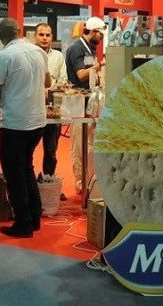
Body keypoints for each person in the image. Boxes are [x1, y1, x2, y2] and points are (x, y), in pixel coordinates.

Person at [0, 18, 50, 237]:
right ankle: (34, 217)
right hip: (37, 120)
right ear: (19, 30)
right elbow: (48, 82)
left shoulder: (4, 56)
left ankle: (23, 223)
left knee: (14, 173)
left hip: (15, 122)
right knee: (26, 168)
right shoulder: (38, 51)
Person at [65, 16, 106, 194]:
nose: (101, 37)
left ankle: (89, 180)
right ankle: (80, 183)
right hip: (77, 101)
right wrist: (99, 66)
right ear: (93, 32)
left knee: (90, 144)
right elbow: (81, 74)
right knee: (78, 145)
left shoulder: (89, 48)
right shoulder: (76, 48)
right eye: (100, 34)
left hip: (89, 101)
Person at [33, 23, 68, 197]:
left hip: (53, 110)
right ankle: (31, 185)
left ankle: (48, 182)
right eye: (41, 34)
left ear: (52, 37)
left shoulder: (58, 57)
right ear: (35, 36)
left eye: (47, 35)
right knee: (28, 150)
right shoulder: (30, 55)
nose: (44, 38)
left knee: (51, 151)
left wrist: (51, 88)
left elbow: (63, 80)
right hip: (31, 110)